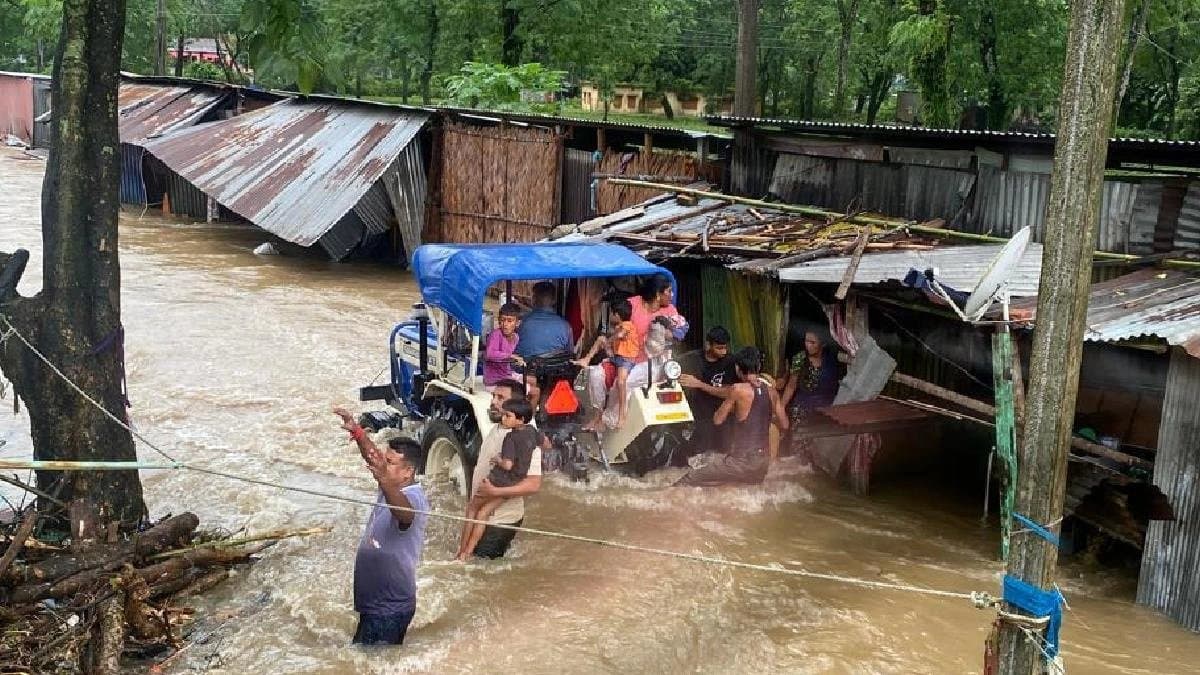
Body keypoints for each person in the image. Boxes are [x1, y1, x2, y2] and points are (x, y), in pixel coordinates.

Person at [333, 407, 429, 646]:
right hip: (374, 602)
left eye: (391, 463)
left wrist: (384, 478)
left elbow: (405, 515)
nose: (382, 465)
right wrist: (358, 433)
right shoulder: (389, 484)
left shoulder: (412, 497)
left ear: (408, 472)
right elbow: (374, 457)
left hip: (390, 607)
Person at [675, 347, 788, 487]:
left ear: (737, 368)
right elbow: (785, 424)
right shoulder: (772, 392)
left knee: (690, 478)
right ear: (758, 367)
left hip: (741, 462)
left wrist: (732, 407)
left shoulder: (737, 390)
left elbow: (717, 420)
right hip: (762, 464)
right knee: (724, 484)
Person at [468, 378, 544, 559]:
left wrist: (494, 491)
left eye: (501, 398)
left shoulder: (525, 439)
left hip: (499, 523)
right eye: (493, 396)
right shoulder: (497, 428)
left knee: (479, 573)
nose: (493, 402)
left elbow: (533, 485)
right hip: (482, 514)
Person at [576, 298, 641, 430]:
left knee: (621, 383)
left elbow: (621, 335)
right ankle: (586, 359)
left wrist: (609, 341)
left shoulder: (627, 325)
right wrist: (607, 343)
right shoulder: (619, 326)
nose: (610, 316)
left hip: (626, 359)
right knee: (600, 339)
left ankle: (622, 414)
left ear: (617, 315)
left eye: (612, 313)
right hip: (617, 356)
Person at [779, 330, 841, 458]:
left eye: (813, 342)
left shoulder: (831, 359)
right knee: (799, 449)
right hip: (803, 409)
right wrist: (780, 407)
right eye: (806, 341)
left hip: (825, 411)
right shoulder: (800, 359)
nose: (808, 345)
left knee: (820, 449)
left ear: (822, 344)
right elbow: (791, 386)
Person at [678, 326, 738, 456]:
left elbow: (730, 392)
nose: (723, 351)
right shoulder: (691, 359)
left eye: (725, 347)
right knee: (699, 454)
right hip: (700, 417)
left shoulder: (731, 362)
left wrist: (699, 385)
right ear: (708, 345)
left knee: (724, 453)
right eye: (719, 348)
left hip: (723, 417)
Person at [516, 282, 574, 407]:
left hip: (530, 371)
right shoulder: (565, 326)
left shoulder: (523, 323)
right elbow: (569, 352)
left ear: (534, 299)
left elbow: (515, 349)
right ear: (553, 300)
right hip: (555, 371)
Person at [483, 303, 523, 387]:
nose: (505, 324)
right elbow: (489, 354)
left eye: (509, 321)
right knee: (534, 391)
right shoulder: (496, 334)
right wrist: (511, 356)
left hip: (506, 374)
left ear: (517, 323)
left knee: (533, 380)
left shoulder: (516, 337)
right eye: (503, 320)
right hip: (494, 379)